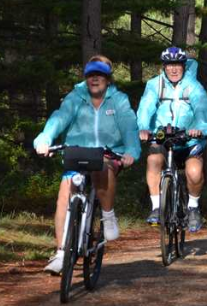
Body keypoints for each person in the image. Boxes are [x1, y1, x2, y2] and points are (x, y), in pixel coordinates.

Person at [34, 55, 140, 274]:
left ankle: (108, 216)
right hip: (78, 153)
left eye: (100, 75)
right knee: (65, 194)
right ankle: (61, 253)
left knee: (102, 166)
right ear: (85, 78)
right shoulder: (75, 97)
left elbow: (129, 126)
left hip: (108, 154)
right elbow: (58, 119)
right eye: (91, 75)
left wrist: (131, 151)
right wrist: (44, 140)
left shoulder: (118, 100)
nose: (95, 79)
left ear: (108, 79)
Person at [137, 47, 207, 232]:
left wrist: (200, 129)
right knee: (153, 160)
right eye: (169, 65)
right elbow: (146, 107)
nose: (173, 69)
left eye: (177, 65)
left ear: (183, 66)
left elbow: (202, 109)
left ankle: (193, 207)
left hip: (188, 140)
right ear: (164, 66)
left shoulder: (193, 86)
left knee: (194, 172)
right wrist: (143, 128)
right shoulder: (154, 84)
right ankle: (156, 207)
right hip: (162, 137)